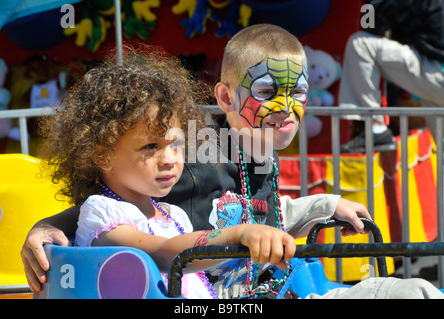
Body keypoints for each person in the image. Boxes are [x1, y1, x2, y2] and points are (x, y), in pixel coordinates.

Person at [22, 24, 442, 298]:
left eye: (297, 92)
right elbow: (114, 204)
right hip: (242, 295)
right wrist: (46, 227)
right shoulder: (192, 147)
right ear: (225, 98)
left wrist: (323, 205)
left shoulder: (256, 152)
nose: (285, 107)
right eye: (265, 92)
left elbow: (259, 214)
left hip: (279, 286)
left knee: (417, 291)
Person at [35, 50, 297, 299]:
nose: (170, 159)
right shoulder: (101, 213)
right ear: (104, 155)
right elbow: (164, 253)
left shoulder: (173, 215)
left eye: (176, 145)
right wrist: (238, 234)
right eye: (151, 147)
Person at [339, 0, 444, 153]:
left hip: (435, 71)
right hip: (435, 81)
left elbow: (371, 25)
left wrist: (367, 3)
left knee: (360, 43)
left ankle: (376, 128)